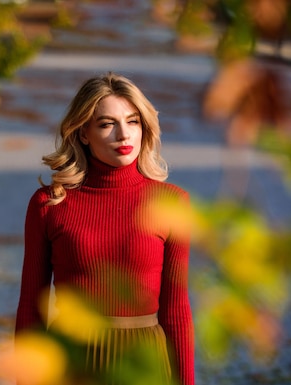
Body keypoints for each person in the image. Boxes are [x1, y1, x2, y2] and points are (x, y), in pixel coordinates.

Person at [15, 72, 194, 385]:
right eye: (107, 124)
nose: (123, 135)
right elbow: (31, 305)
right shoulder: (49, 203)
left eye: (133, 121)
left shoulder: (171, 203)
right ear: (84, 132)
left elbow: (176, 308)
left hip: (144, 364)